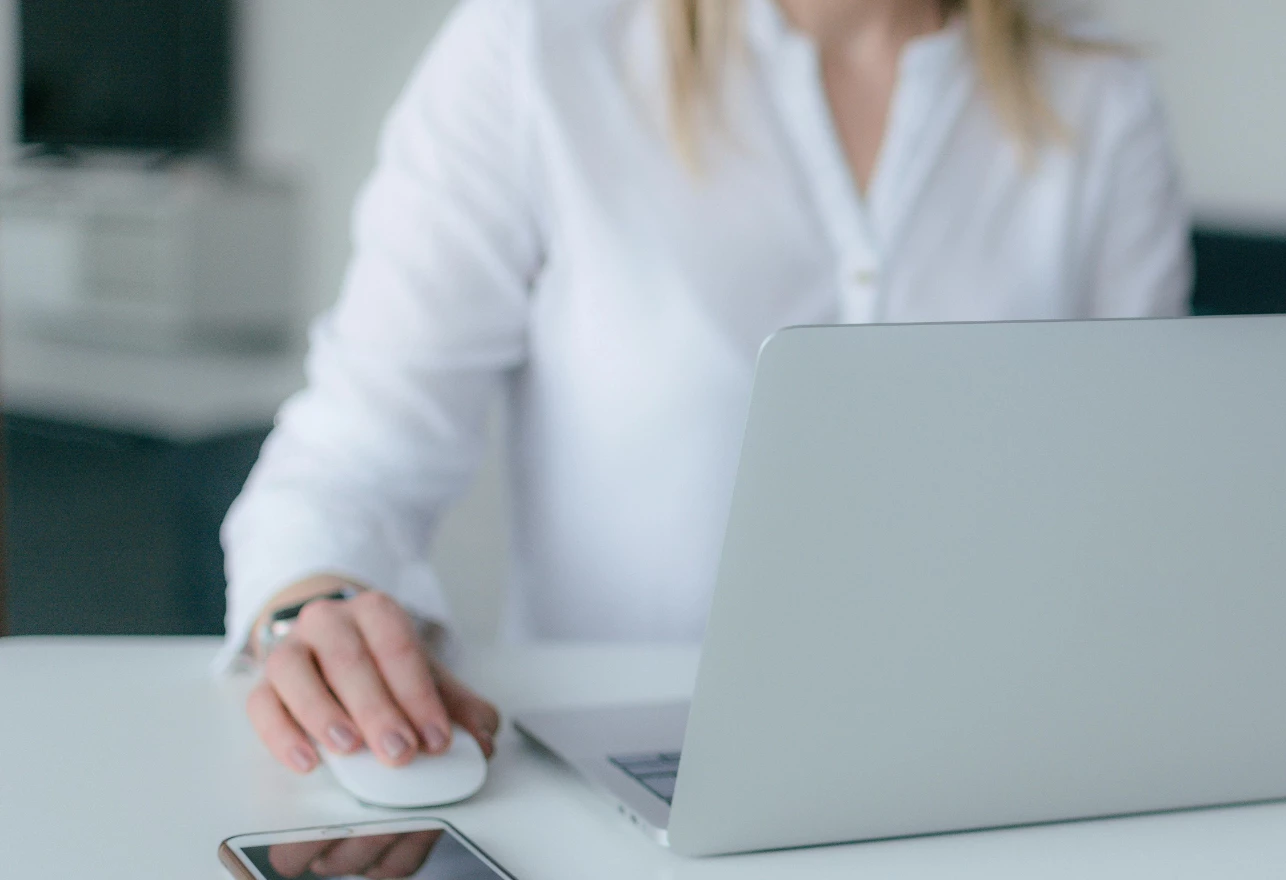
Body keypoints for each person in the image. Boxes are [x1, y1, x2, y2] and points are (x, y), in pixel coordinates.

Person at [222, 0, 1191, 776]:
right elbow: (353, 456)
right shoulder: (535, 50)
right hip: (613, 770)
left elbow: (1136, 505)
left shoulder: (1099, 100)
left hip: (994, 765)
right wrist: (312, 606)